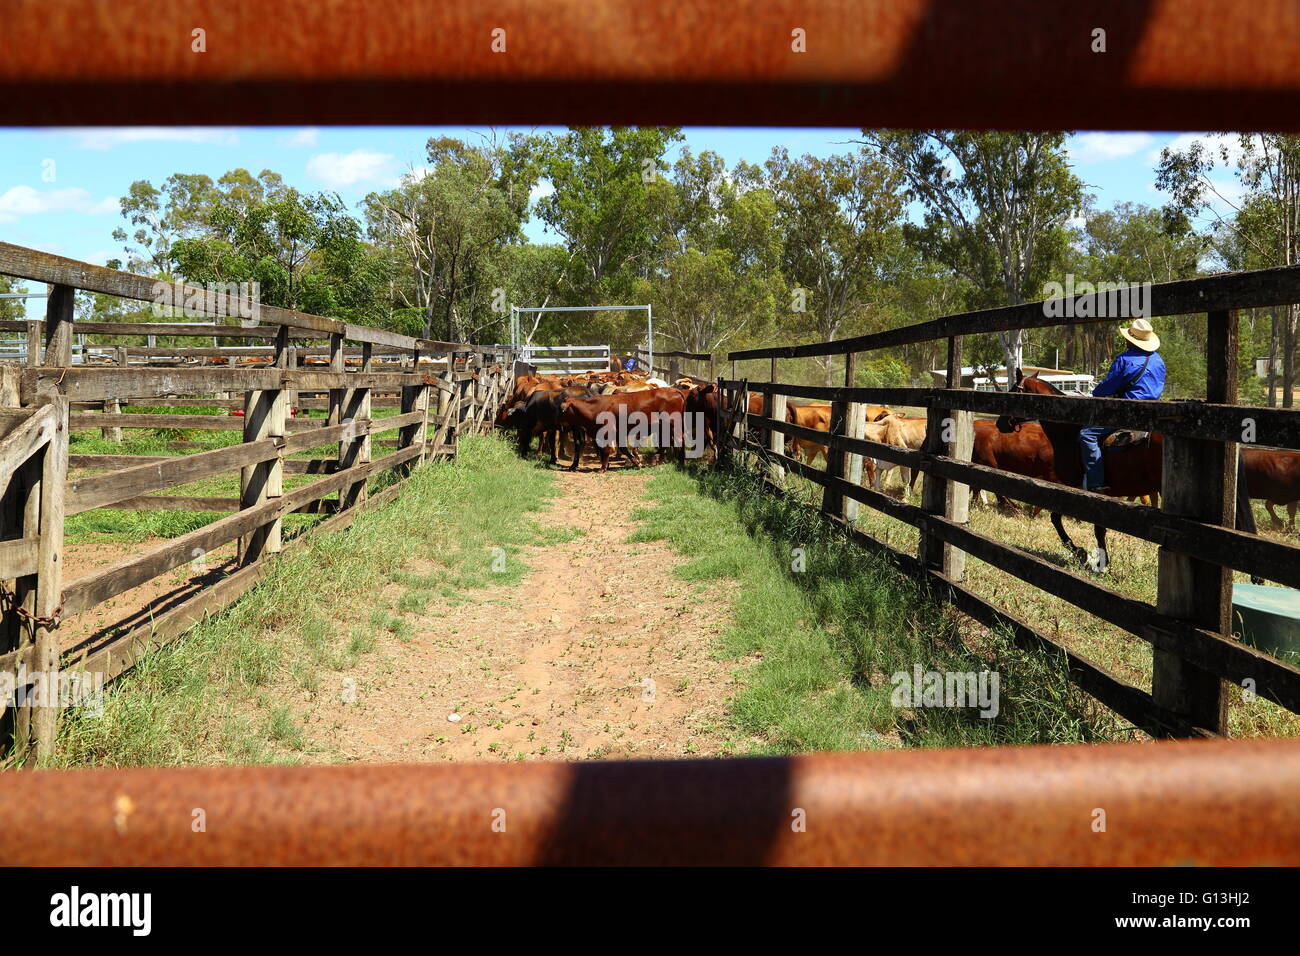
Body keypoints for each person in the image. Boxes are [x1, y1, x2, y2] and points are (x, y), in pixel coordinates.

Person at [1079, 317, 1165, 493]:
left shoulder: (1124, 359)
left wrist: (1095, 393)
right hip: (1154, 411)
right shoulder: (1159, 360)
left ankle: (1096, 484)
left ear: (1131, 340)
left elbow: (1108, 387)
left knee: (1086, 434)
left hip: (1128, 411)